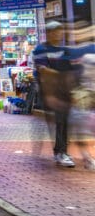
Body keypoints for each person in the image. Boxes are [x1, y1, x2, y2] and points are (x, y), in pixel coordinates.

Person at [31, 21, 77, 167]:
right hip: (49, 91)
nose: (58, 34)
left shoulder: (65, 50)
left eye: (60, 31)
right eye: (55, 31)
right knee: (58, 121)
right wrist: (59, 76)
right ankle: (60, 153)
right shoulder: (41, 49)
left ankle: (62, 151)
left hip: (64, 91)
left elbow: (72, 70)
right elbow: (42, 70)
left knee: (65, 122)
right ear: (49, 33)